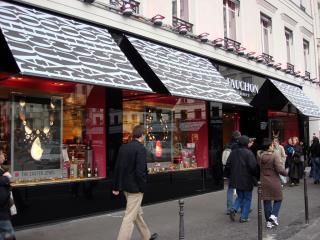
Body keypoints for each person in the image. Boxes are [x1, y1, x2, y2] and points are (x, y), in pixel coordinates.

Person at [112, 125, 158, 240]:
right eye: (145, 135)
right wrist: (143, 187)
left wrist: (116, 187)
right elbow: (140, 171)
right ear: (142, 135)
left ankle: (146, 236)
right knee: (129, 217)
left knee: (135, 213)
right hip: (136, 188)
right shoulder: (140, 149)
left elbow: (118, 167)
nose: (144, 137)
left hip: (126, 187)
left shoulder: (123, 147)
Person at [257, 138, 288, 229]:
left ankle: (269, 222)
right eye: (272, 145)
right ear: (270, 146)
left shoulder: (260, 156)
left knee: (267, 201)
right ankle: (273, 216)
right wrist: (286, 172)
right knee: (278, 199)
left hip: (264, 181)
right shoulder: (275, 155)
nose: (273, 146)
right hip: (274, 180)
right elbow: (279, 169)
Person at [228, 135, 258, 223]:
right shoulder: (249, 153)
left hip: (235, 178)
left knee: (240, 196)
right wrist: (256, 176)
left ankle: (233, 209)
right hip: (246, 178)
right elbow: (253, 167)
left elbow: (228, 164)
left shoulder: (233, 152)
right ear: (246, 143)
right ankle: (244, 217)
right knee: (247, 198)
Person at [223, 130, 241, 215]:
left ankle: (229, 208)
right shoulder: (237, 146)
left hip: (229, 171)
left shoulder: (227, 145)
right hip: (236, 170)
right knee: (239, 189)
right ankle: (240, 206)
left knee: (230, 190)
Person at [0, 146, 15, 239]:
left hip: (3, 212)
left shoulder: (2, 169)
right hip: (2, 213)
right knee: (8, 235)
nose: (3, 156)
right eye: (1, 154)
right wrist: (6, 179)